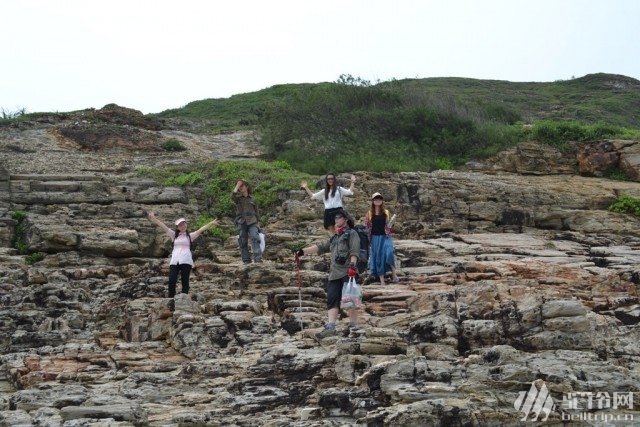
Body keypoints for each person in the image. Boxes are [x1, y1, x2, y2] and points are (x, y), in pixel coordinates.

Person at [295, 209, 361, 339]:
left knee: (351, 298)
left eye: (339, 217)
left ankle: (353, 325)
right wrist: (302, 252)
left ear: (346, 219)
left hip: (348, 271)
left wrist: (353, 265)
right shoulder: (334, 238)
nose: (336, 220)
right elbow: (320, 247)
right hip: (334, 273)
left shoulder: (352, 234)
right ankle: (331, 326)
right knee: (332, 299)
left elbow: (355, 250)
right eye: (335, 218)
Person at [147, 211, 219, 297]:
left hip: (186, 260)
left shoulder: (190, 236)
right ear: (177, 227)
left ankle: (184, 298)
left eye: (183, 224)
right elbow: (163, 226)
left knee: (185, 281)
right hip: (175, 261)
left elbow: (201, 230)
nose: (182, 226)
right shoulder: (174, 235)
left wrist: (211, 223)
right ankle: (171, 298)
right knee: (172, 280)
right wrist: (154, 218)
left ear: (186, 225)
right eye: (180, 225)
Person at [363, 192, 399, 285]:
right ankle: (382, 280)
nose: (378, 200)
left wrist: (392, 224)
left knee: (390, 252)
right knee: (378, 258)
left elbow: (390, 225)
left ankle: (394, 274)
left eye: (379, 199)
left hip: (386, 236)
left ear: (382, 201)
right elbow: (365, 226)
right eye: (376, 199)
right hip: (375, 238)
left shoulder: (386, 212)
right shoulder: (369, 213)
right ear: (373, 201)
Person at [232, 179, 263, 264]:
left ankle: (258, 258)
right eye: (239, 186)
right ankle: (246, 260)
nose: (240, 188)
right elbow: (233, 196)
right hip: (242, 221)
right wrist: (237, 185)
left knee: (255, 237)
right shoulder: (238, 199)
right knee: (242, 240)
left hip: (252, 221)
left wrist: (258, 223)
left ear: (247, 187)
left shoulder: (253, 199)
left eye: (242, 185)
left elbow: (257, 212)